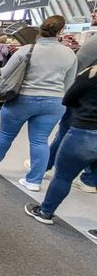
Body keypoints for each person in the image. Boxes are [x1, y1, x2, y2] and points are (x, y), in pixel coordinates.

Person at [0, 16, 78, 192]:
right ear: (60, 31)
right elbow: (69, 84)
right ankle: (34, 180)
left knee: (5, 135)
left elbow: (5, 73)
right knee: (40, 141)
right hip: (54, 103)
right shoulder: (69, 54)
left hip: (22, 99)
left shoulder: (27, 50)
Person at [24, 63, 97, 224]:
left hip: (85, 132)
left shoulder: (90, 74)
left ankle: (45, 212)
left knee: (63, 177)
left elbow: (69, 98)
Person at [35, 32, 97, 194]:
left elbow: (79, 66)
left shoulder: (94, 41)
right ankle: (90, 180)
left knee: (65, 133)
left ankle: (47, 166)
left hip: (85, 102)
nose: (94, 14)